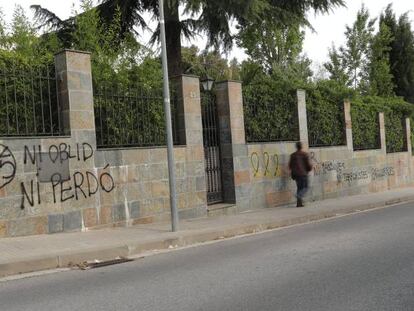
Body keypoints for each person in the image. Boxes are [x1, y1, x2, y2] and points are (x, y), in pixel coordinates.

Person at [289, 142, 312, 207]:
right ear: (301, 147)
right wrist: (310, 168)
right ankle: (298, 195)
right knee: (306, 187)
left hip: (295, 174)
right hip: (303, 173)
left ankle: (299, 204)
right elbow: (308, 165)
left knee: (299, 188)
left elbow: (290, 165)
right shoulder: (304, 154)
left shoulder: (292, 155)